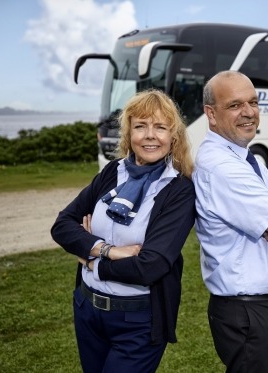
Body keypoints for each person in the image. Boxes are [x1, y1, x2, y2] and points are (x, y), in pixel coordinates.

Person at [51, 89, 196, 373]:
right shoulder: (112, 172)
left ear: (173, 137)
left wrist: (93, 260)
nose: (150, 135)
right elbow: (63, 225)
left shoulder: (179, 190)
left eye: (160, 127)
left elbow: (150, 266)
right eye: (140, 126)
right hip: (88, 310)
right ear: (129, 134)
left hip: (138, 322)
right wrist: (109, 251)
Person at [192, 71, 268, 373]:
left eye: (253, 102)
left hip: (254, 310)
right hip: (247, 313)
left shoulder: (246, 159)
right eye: (234, 105)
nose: (248, 112)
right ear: (211, 114)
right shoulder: (223, 168)